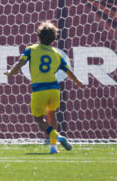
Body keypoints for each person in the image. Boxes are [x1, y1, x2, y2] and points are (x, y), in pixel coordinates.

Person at [5, 21, 82, 154]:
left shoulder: (31, 49)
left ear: (38, 36)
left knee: (39, 119)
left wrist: (11, 72)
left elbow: (20, 63)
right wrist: (77, 81)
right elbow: (68, 71)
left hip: (39, 90)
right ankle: (53, 147)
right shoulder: (57, 54)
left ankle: (59, 137)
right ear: (53, 39)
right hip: (54, 89)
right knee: (52, 115)